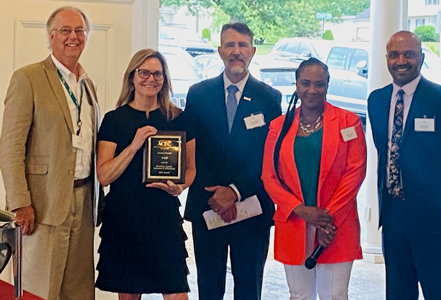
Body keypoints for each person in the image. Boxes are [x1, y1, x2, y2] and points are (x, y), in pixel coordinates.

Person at [368, 31, 441, 300]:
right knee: (397, 291)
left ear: (421, 57)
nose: (401, 60)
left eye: (408, 53)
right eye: (394, 54)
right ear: (387, 58)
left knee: (437, 290)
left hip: (434, 217)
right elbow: (386, 151)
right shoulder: (377, 100)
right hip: (394, 214)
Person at [0, 6, 102, 300]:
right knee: (39, 288)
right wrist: (20, 202)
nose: (74, 37)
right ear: (52, 36)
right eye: (66, 31)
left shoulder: (88, 84)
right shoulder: (28, 78)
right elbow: (10, 146)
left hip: (83, 202)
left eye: (79, 31)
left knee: (79, 291)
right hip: (42, 205)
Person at [183, 23, 282, 300]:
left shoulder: (270, 98)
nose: (236, 52)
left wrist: (235, 192)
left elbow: (268, 155)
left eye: (241, 46)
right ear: (219, 51)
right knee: (209, 285)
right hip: (208, 204)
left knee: (249, 286)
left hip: (252, 207)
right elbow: (195, 151)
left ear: (252, 51)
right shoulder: (198, 94)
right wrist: (219, 195)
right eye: (229, 45)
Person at [262, 58, 366, 300]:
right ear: (296, 85)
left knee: (335, 295)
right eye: (305, 83)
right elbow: (269, 176)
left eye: (319, 84)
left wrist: (324, 219)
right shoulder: (279, 126)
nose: (312, 90)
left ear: (327, 85)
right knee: (299, 295)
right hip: (295, 221)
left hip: (335, 224)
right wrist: (299, 209)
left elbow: (355, 173)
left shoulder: (347, 122)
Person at [94, 49, 195, 300]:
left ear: (165, 79)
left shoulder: (179, 119)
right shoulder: (114, 120)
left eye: (157, 74)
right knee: (128, 295)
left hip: (163, 218)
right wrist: (134, 144)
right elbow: (104, 175)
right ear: (132, 77)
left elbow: (191, 169)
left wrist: (179, 187)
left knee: (177, 293)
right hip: (124, 219)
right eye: (144, 72)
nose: (151, 79)